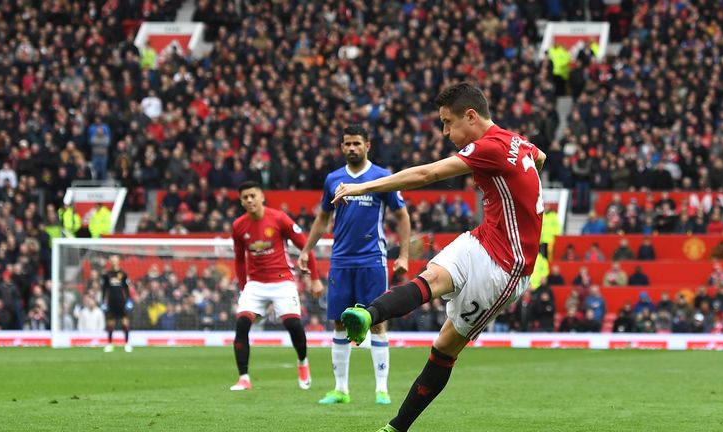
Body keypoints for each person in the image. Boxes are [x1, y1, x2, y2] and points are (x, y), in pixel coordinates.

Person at [331, 83, 545, 432]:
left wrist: (362, 186)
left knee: (446, 346)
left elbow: (427, 174)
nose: (446, 132)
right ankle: (367, 315)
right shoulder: (515, 140)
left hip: (506, 267)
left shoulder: (488, 146)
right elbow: (539, 158)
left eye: (448, 123)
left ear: (471, 116)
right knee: (430, 279)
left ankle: (397, 427)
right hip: (483, 238)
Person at [298, 125, 411, 406]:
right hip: (340, 261)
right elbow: (323, 218)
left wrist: (405, 255)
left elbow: (402, 216)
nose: (351, 148)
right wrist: (306, 249)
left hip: (372, 259)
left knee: (376, 322)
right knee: (338, 322)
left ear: (367, 145)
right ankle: (340, 389)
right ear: (341, 147)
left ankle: (382, 390)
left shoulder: (382, 177)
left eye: (356, 143)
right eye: (347, 144)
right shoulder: (333, 179)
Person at [229, 181, 324, 391]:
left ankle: (302, 362)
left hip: (282, 280)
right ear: (241, 201)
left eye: (253, 195)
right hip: (255, 284)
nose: (249, 200)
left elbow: (306, 247)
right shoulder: (238, 226)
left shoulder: (279, 218)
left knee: (293, 325)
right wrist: (245, 287)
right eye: (245, 197)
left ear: (262, 196)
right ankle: (244, 378)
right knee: (242, 324)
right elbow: (238, 260)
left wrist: (315, 278)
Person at [101, 255, 132, 352]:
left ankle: (127, 343)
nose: (114, 261)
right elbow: (104, 289)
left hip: (121, 301)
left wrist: (129, 300)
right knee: (110, 322)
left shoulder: (123, 273)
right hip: (111, 301)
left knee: (125, 321)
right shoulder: (107, 274)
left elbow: (126, 288)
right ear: (110, 261)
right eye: (112, 260)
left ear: (118, 261)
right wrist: (103, 301)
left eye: (115, 259)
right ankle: (110, 344)